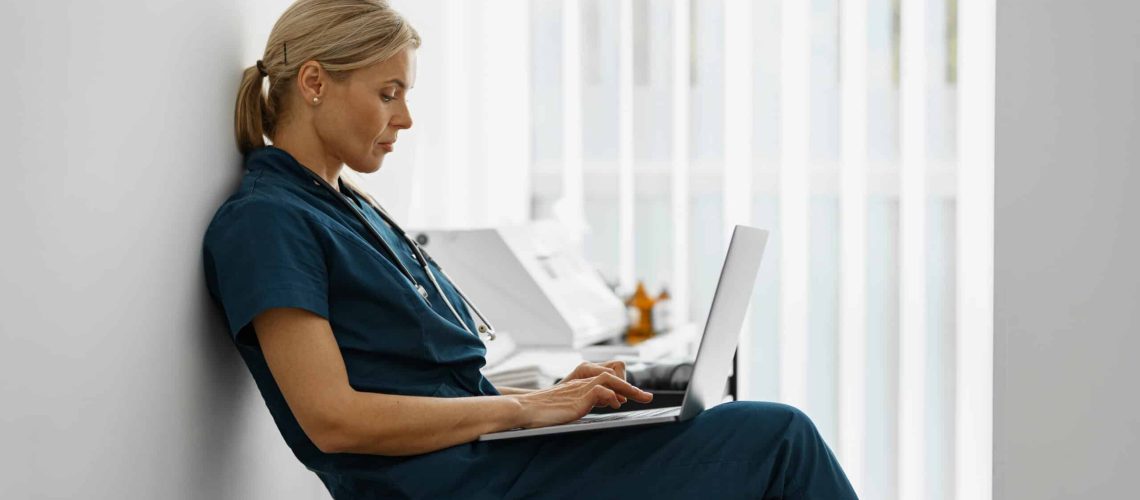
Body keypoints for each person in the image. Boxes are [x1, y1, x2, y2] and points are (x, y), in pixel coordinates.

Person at [202, 0, 858, 498]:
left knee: (739, 431)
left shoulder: (346, 207)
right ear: (314, 83)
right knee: (777, 439)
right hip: (455, 483)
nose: (404, 118)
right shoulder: (267, 223)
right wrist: (525, 409)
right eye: (388, 93)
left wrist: (547, 400)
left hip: (491, 455)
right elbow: (332, 420)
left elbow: (425, 380)